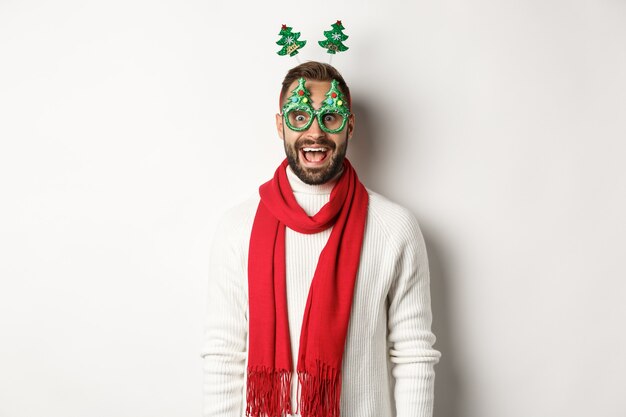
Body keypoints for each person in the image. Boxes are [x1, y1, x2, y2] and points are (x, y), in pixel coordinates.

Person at [202, 61, 441, 417]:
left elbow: (413, 355)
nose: (315, 132)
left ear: (350, 125)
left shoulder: (394, 227)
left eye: (330, 117)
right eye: (299, 116)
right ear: (281, 125)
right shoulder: (238, 227)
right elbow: (224, 354)